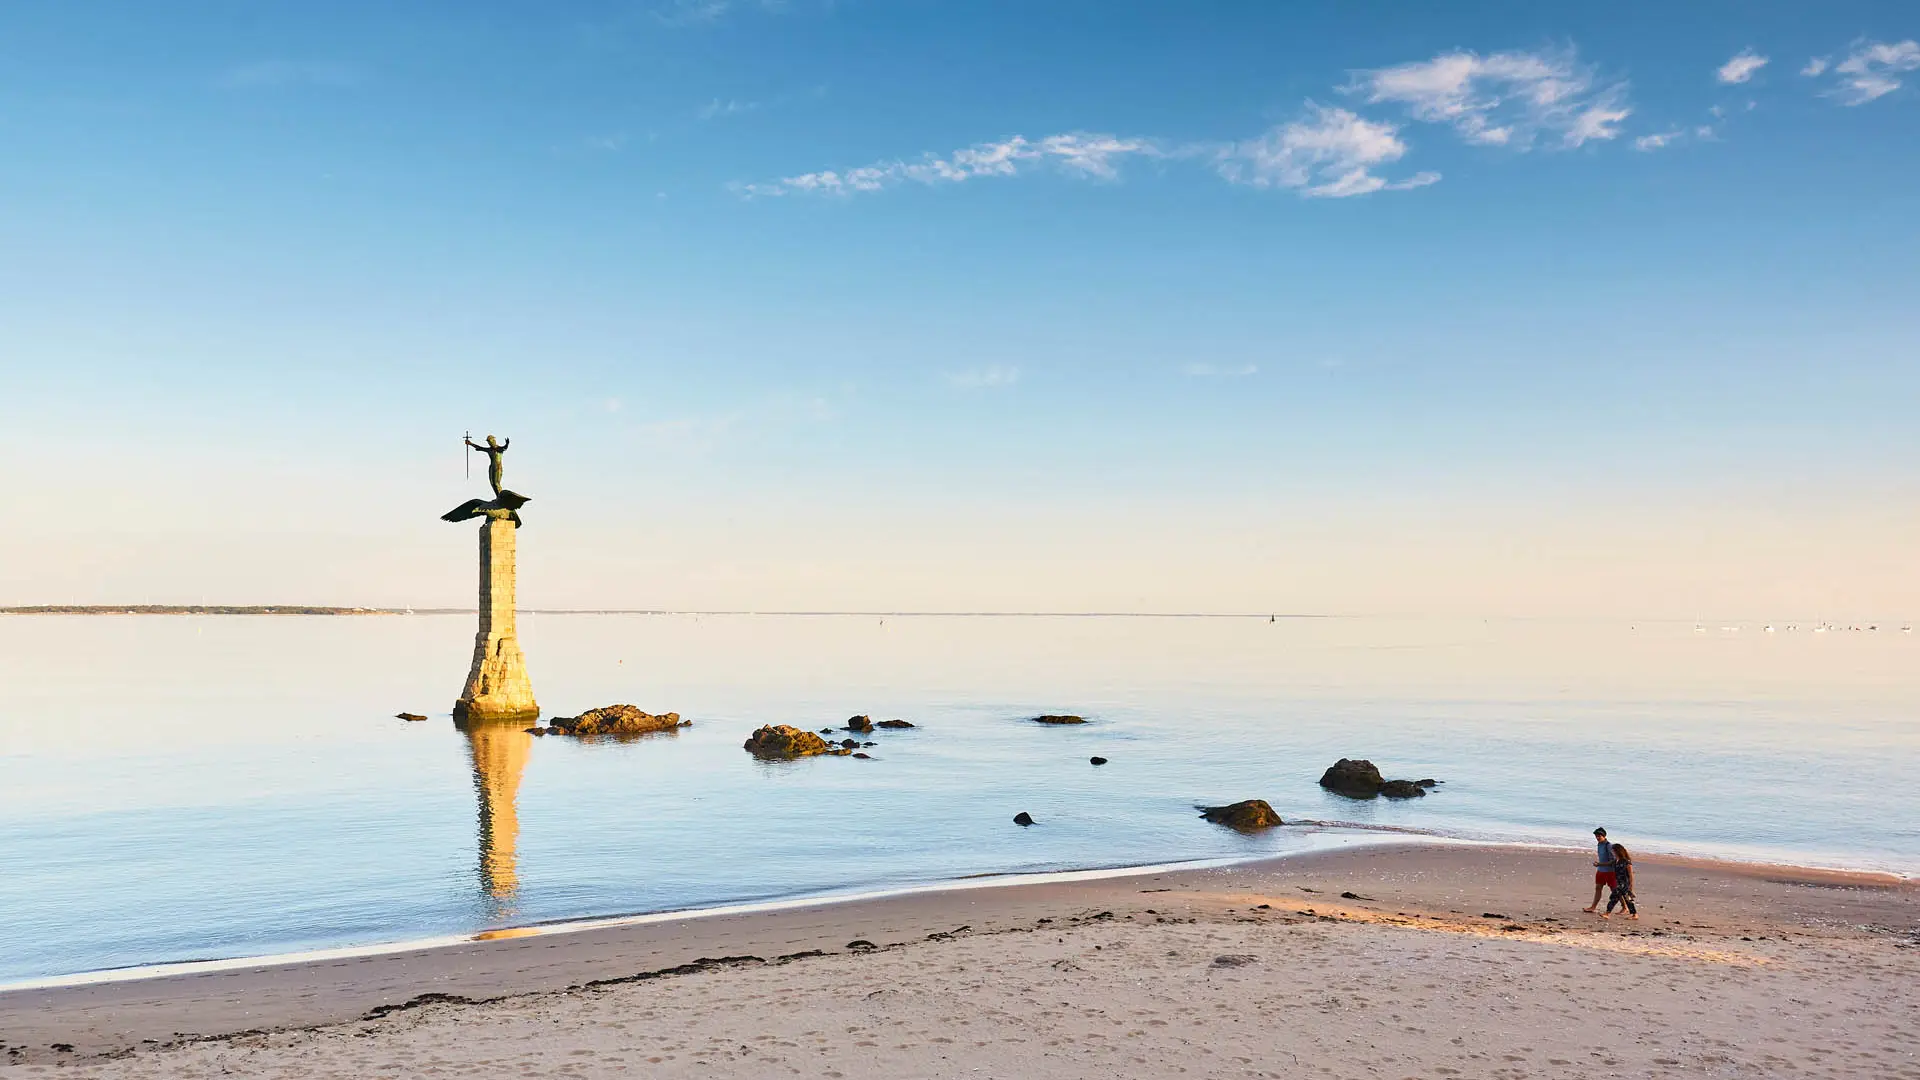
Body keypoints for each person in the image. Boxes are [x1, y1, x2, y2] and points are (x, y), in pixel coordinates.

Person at [1582, 827, 1615, 913]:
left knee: (1615, 890)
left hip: (1610, 871)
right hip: (1601, 871)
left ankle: (1625, 907)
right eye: (1596, 836)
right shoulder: (1599, 844)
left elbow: (1613, 861)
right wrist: (1600, 865)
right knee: (1598, 888)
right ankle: (1593, 907)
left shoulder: (1609, 846)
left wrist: (1600, 864)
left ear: (1604, 836)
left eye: (1599, 836)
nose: (1597, 838)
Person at [1602, 844, 1638, 919]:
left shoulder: (1626, 862)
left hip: (1624, 884)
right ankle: (1635, 914)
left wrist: (1631, 888)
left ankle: (1607, 913)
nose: (1612, 852)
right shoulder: (1616, 861)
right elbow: (1609, 863)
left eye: (1613, 850)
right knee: (1625, 899)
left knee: (1615, 897)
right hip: (1619, 883)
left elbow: (1631, 875)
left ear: (1617, 851)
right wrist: (1599, 864)